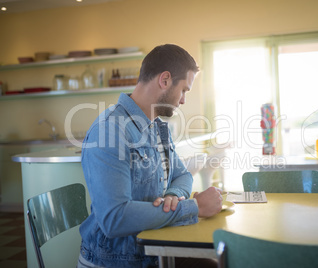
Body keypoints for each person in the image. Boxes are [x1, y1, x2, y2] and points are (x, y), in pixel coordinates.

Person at [78, 44, 223, 268]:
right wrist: (194, 207)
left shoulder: (157, 127)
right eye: (184, 89)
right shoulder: (110, 131)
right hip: (116, 262)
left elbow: (182, 175)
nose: (183, 100)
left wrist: (173, 196)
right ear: (165, 80)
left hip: (153, 251)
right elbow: (114, 219)